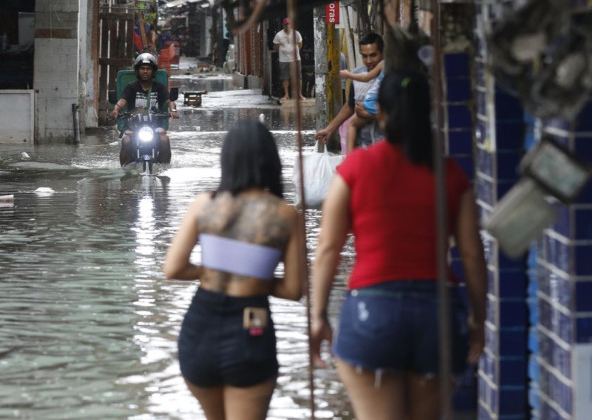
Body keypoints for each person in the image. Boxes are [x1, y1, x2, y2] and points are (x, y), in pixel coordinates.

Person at [310, 70, 487, 419]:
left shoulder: (356, 168)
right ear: (428, 111)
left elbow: (328, 249)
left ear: (382, 113)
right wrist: (479, 319)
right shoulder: (451, 174)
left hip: (371, 315)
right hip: (438, 315)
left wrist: (317, 316)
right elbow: (471, 254)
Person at [163, 120, 305, 419]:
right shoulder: (285, 215)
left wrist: (211, 270)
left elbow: (173, 268)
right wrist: (250, 277)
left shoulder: (205, 204)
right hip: (250, 328)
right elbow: (293, 290)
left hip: (199, 329)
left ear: (227, 158)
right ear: (271, 160)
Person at [316, 33, 385, 154]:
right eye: (364, 56)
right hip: (362, 148)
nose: (369, 61)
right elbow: (350, 106)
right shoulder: (357, 76)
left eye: (373, 55)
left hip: (386, 147)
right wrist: (329, 129)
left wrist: (372, 115)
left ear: (382, 53)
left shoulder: (393, 75)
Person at [110, 53, 179, 166]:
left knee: (165, 140)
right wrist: (116, 110)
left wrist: (173, 111)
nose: (145, 71)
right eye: (142, 68)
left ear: (153, 71)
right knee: (126, 141)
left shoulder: (159, 87)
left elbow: (169, 101)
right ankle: (125, 171)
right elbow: (122, 101)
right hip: (134, 127)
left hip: (155, 126)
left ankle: (164, 168)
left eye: (148, 68)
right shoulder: (131, 87)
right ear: (138, 70)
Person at [272, 18, 305, 100]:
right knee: (285, 77)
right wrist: (283, 52)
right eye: (286, 24)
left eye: (289, 24)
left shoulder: (296, 33)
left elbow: (300, 44)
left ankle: (299, 94)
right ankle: (286, 94)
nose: (287, 26)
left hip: (296, 59)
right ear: (283, 25)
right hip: (284, 59)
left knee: (298, 77)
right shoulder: (279, 35)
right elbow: (276, 47)